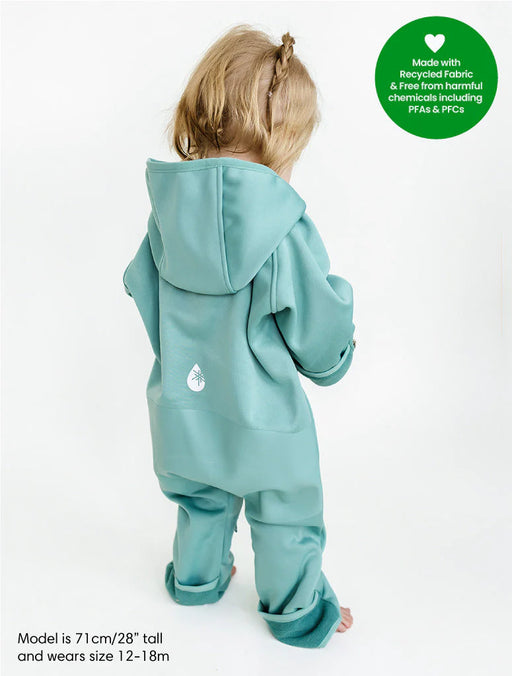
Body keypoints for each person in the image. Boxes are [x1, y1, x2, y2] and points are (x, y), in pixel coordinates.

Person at [122, 24, 356, 649]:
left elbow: (145, 291)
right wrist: (337, 350)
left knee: (200, 499)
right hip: (266, 420)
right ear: (282, 135)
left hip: (183, 405)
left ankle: (195, 581)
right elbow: (316, 328)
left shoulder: (164, 213)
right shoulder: (282, 226)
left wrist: (184, 365)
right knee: (286, 511)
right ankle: (298, 613)